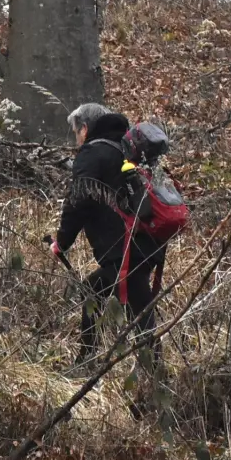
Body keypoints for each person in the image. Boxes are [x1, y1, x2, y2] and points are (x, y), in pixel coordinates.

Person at [52, 104, 161, 367]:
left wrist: (62, 243)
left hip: (122, 250)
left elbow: (77, 202)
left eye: (76, 132)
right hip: (147, 243)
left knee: (100, 293)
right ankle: (152, 372)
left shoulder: (92, 153)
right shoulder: (126, 150)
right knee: (131, 301)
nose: (77, 138)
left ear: (85, 128)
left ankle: (89, 361)